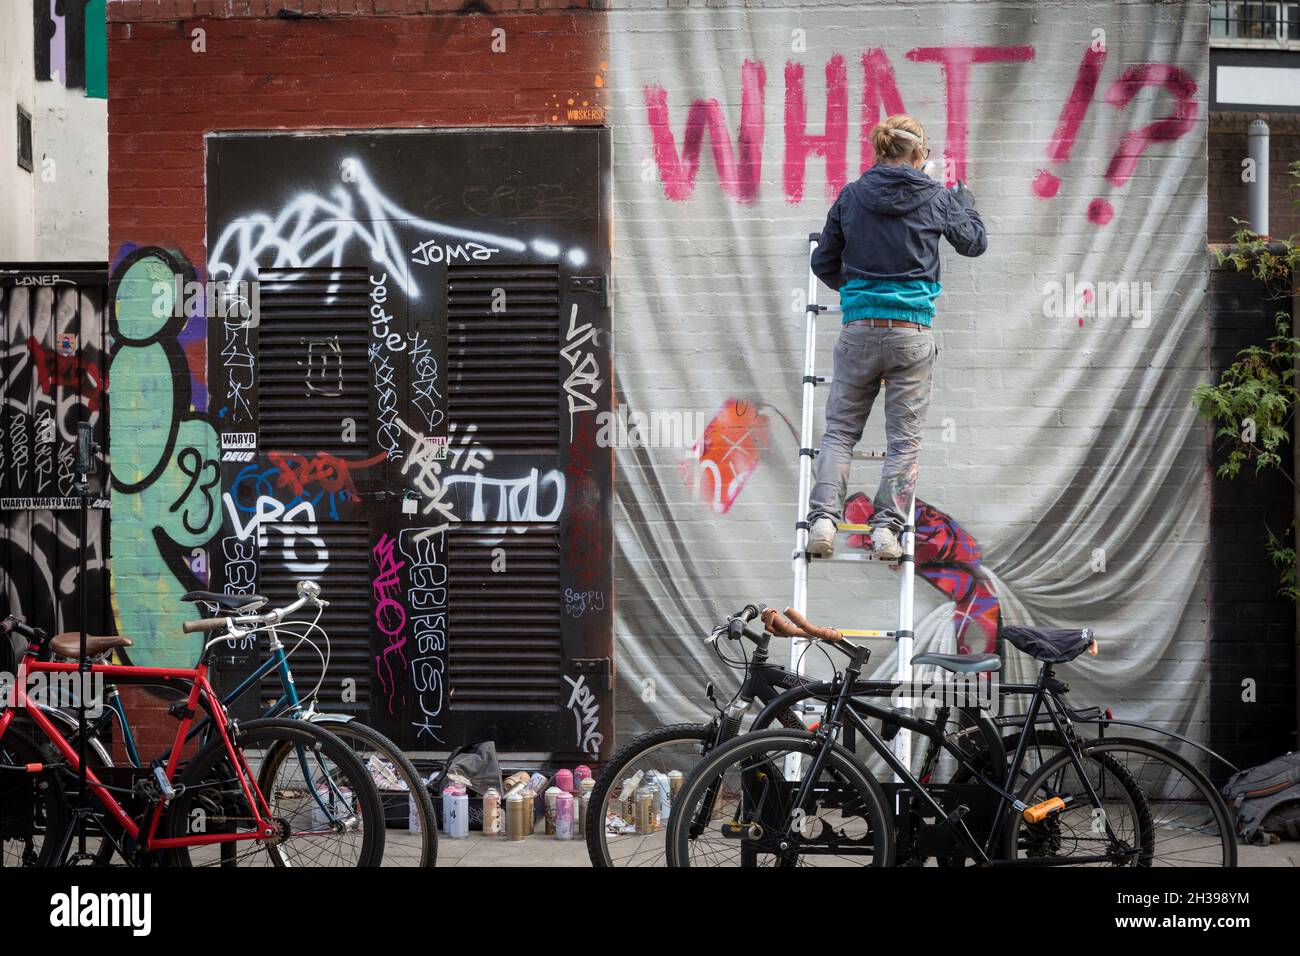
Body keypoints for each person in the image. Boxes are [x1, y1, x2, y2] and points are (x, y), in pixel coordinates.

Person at [806, 114, 986, 559]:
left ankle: (825, 520)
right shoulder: (938, 198)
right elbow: (974, 243)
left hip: (859, 332)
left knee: (839, 434)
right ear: (920, 154)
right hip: (911, 335)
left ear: (878, 150)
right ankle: (886, 531)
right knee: (903, 441)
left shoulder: (851, 196)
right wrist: (965, 204)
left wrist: (855, 294)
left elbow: (823, 262)